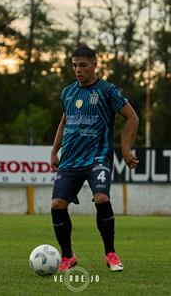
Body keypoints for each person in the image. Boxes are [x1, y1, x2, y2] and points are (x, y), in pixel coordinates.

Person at [50, 45, 139, 272]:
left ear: (94, 64)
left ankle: (110, 253)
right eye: (74, 66)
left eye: (83, 65)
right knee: (57, 205)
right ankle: (68, 256)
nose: (78, 70)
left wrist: (126, 148)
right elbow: (64, 122)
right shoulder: (67, 92)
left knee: (101, 198)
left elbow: (132, 117)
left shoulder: (108, 91)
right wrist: (54, 151)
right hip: (70, 159)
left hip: (97, 157)